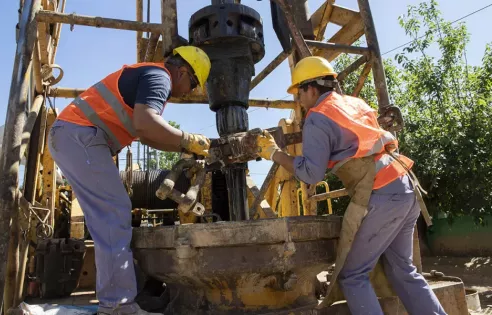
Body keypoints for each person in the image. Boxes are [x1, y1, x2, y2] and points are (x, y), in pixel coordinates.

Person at [256, 56, 445, 314]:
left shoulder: (317, 116)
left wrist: (274, 153)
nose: (298, 99)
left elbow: (311, 174)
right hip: (405, 186)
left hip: (381, 194)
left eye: (299, 92)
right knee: (402, 269)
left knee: (353, 276)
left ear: (312, 88)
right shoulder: (355, 103)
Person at [48, 46, 211, 315]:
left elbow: (146, 134)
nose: (188, 91)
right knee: (113, 213)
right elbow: (147, 124)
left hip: (73, 136)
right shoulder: (160, 77)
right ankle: (117, 306)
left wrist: (185, 148)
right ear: (182, 71)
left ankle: (116, 301)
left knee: (107, 217)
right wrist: (188, 139)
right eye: (192, 83)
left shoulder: (150, 75)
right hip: (82, 136)